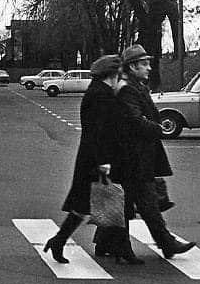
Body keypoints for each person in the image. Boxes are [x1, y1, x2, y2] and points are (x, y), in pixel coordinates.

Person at [43, 54, 143, 265]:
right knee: (111, 203)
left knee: (88, 206)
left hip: (93, 158)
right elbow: (98, 133)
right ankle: (120, 249)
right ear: (112, 75)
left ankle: (60, 241)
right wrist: (104, 162)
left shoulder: (99, 93)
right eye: (119, 75)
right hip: (97, 160)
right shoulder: (101, 96)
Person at [111, 43, 195, 259]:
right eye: (144, 64)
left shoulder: (135, 86)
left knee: (127, 203)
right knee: (148, 203)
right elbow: (135, 120)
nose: (149, 68)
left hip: (135, 157)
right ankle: (167, 243)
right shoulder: (128, 89)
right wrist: (158, 129)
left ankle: (106, 243)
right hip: (135, 157)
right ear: (132, 67)